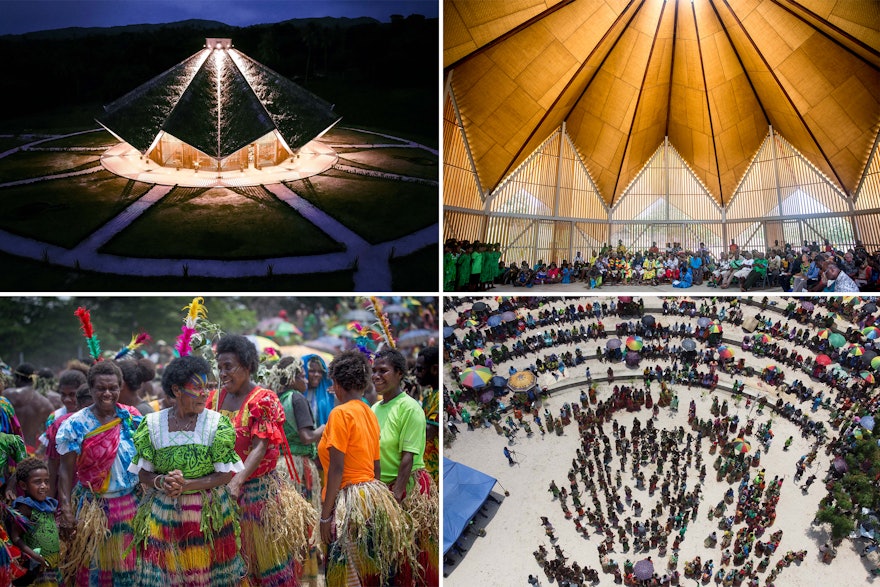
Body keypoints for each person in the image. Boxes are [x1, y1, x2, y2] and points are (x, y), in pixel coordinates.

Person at [128, 355, 247, 587]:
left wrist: (186, 485)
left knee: (207, 576)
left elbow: (224, 475)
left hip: (208, 516)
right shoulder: (152, 424)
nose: (205, 393)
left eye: (207, 387)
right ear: (176, 390)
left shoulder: (216, 424)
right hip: (163, 515)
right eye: (197, 387)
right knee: (167, 576)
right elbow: (143, 474)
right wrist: (162, 482)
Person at [208, 335, 313, 587]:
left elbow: (261, 445)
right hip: (221, 497)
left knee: (266, 566)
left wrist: (237, 482)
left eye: (228, 367)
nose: (223, 373)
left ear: (246, 365)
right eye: (219, 367)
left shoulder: (263, 399)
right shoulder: (214, 399)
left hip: (257, 496)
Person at [319, 351, 417, 587]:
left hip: (348, 505)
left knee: (347, 576)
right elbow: (376, 467)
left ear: (336, 383)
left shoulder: (340, 414)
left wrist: (325, 516)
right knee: (371, 572)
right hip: (371, 500)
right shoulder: (368, 412)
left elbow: (336, 470)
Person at [56, 360, 142, 586]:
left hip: (129, 506)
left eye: (113, 388)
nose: (107, 393)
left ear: (120, 387)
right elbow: (65, 470)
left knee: (129, 569)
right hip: (92, 510)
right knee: (92, 569)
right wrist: (65, 510)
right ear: (91, 388)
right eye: (101, 388)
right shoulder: (76, 424)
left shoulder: (131, 418)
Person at [371, 348, 438, 587]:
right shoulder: (374, 409)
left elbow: (408, 458)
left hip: (406, 490)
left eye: (383, 371)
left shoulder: (410, 408)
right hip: (382, 490)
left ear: (399, 373)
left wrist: (395, 498)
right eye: (374, 371)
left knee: (409, 561)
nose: (376, 376)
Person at [268, 355, 325, 587]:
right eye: (301, 375)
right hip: (298, 469)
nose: (305, 379)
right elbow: (307, 436)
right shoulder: (298, 398)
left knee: (288, 524)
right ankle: (307, 579)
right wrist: (326, 426)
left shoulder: (277, 399)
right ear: (292, 378)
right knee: (306, 524)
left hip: (280, 467)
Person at [8, 457, 60, 587]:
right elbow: (15, 536)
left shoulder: (48, 504)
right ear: (23, 485)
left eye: (46, 482)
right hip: (35, 567)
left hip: (52, 564)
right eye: (37, 482)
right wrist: (33, 556)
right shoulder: (25, 507)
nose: (43, 486)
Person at [45, 384, 93, 499]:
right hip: (70, 497)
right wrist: (49, 505)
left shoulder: (113, 424)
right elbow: (53, 468)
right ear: (79, 406)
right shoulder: (62, 425)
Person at [415, 346, 440, 483]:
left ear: (434, 369)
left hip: (436, 472)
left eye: (420, 369)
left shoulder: (438, 397)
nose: (416, 373)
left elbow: (429, 431)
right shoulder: (430, 395)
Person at [303, 354, 336, 427]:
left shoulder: (328, 393)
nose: (316, 374)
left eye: (320, 372)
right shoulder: (298, 394)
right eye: (312, 371)